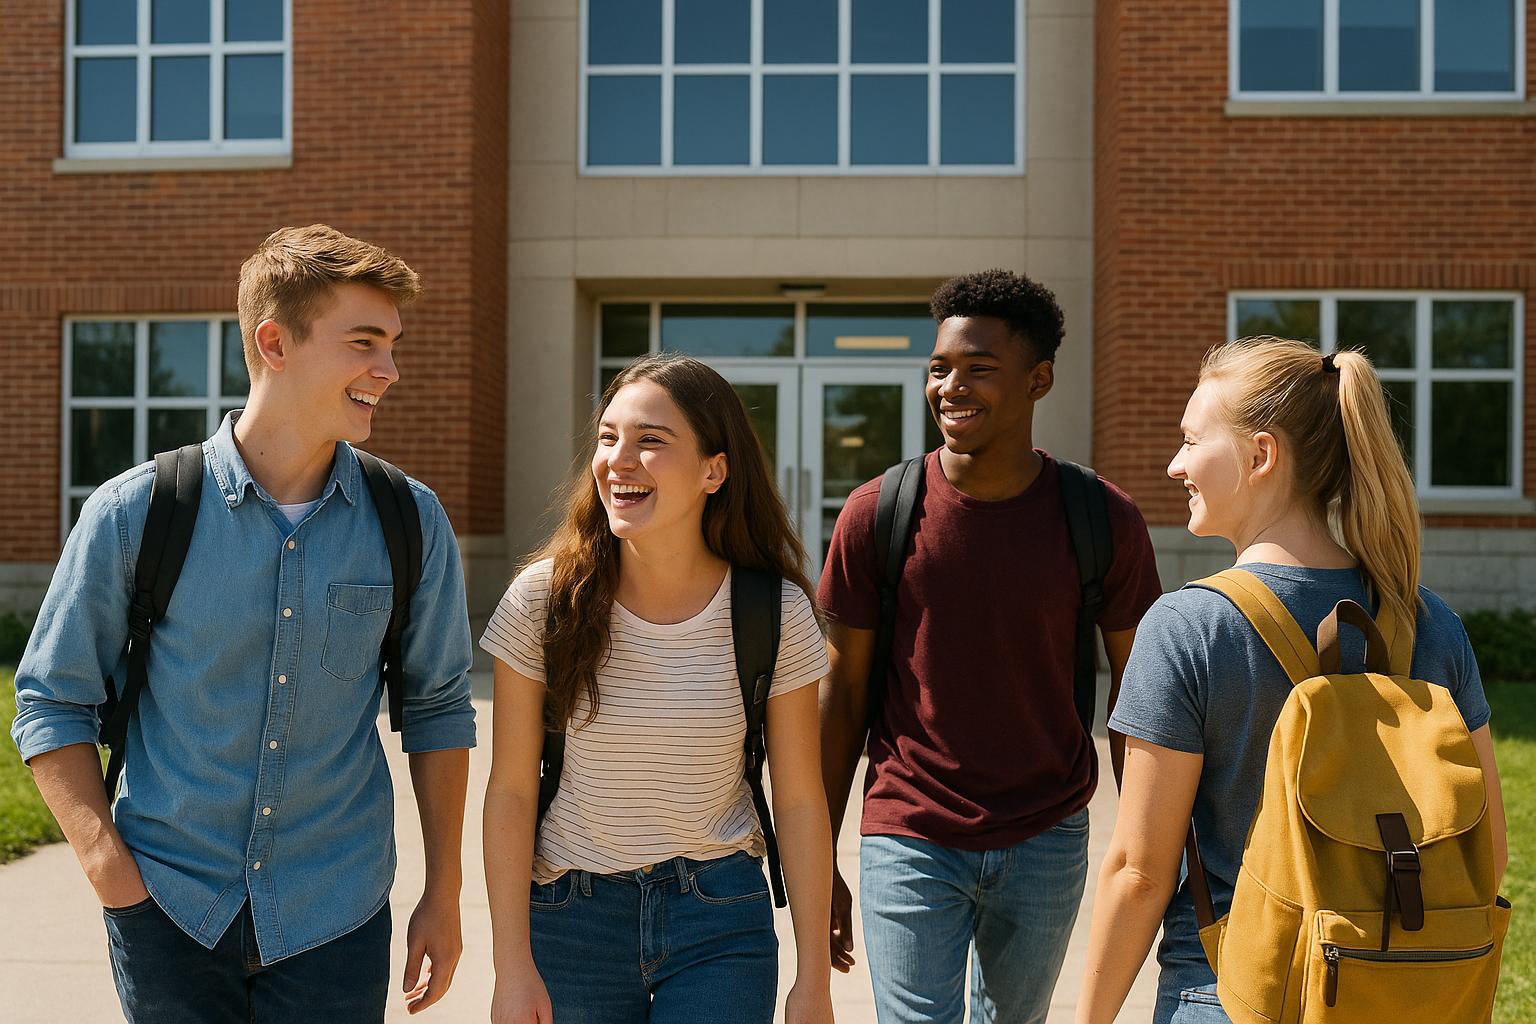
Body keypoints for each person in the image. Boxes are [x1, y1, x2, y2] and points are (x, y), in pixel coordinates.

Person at [11, 224, 477, 1022]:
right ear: (275, 342)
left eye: (393, 344)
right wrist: (107, 869)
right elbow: (51, 699)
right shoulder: (138, 513)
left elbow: (437, 709)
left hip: (337, 911)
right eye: (365, 342)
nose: (389, 370)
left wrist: (443, 892)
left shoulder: (411, 520)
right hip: (169, 907)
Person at [1075, 337, 1508, 1024]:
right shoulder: (1430, 624)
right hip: (1396, 997)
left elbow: (1140, 872)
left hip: (1230, 994)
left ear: (1260, 455)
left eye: (1191, 441)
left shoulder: (1189, 628)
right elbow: (1489, 852)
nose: (1175, 464)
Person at [818, 268, 1164, 1024]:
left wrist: (1148, 852)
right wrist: (819, 858)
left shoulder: (1101, 517)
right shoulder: (878, 513)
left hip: (1048, 830)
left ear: (1038, 381)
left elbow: (1138, 697)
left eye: (978, 369)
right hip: (910, 826)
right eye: (939, 368)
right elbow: (842, 696)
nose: (950, 386)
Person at [481, 353, 836, 1024]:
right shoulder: (543, 601)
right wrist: (511, 965)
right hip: (569, 921)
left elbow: (798, 801)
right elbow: (510, 791)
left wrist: (812, 978)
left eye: (650, 441)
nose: (619, 458)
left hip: (720, 919)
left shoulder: (772, 611)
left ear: (714, 470)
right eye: (608, 436)